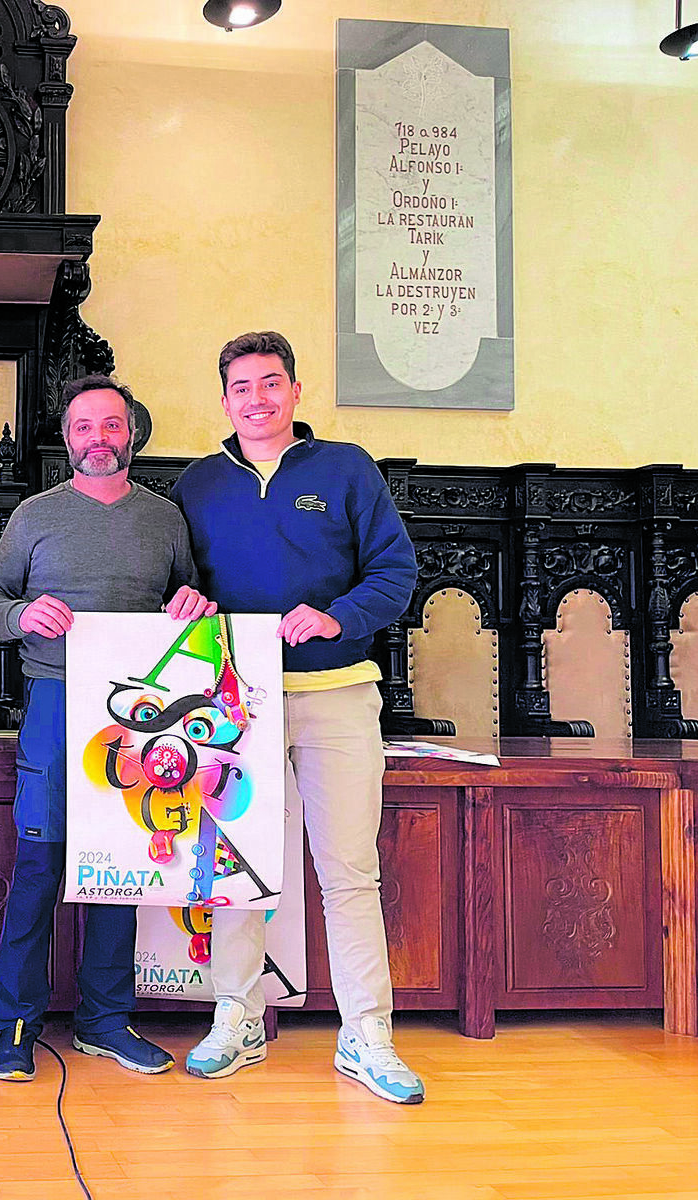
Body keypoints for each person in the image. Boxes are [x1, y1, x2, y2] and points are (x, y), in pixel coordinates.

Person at [171, 330, 424, 1105]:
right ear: (224, 401)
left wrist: (337, 616)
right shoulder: (197, 485)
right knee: (236, 869)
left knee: (349, 871)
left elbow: (397, 572)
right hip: (234, 705)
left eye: (271, 383)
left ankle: (367, 1035)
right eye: (242, 386)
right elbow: (182, 587)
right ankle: (237, 1017)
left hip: (338, 694)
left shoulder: (346, 469)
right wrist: (186, 603)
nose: (257, 398)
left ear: (295, 392)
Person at [0, 375, 215, 1082]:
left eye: (111, 426)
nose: (98, 439)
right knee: (39, 867)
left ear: (131, 433)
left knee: (120, 870)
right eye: (84, 427)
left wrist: (194, 603)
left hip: (138, 717)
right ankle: (15, 1024)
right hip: (52, 706)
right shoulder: (36, 515)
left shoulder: (164, 519)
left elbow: (189, 600)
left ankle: (105, 1022)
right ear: (67, 438)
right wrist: (21, 617)